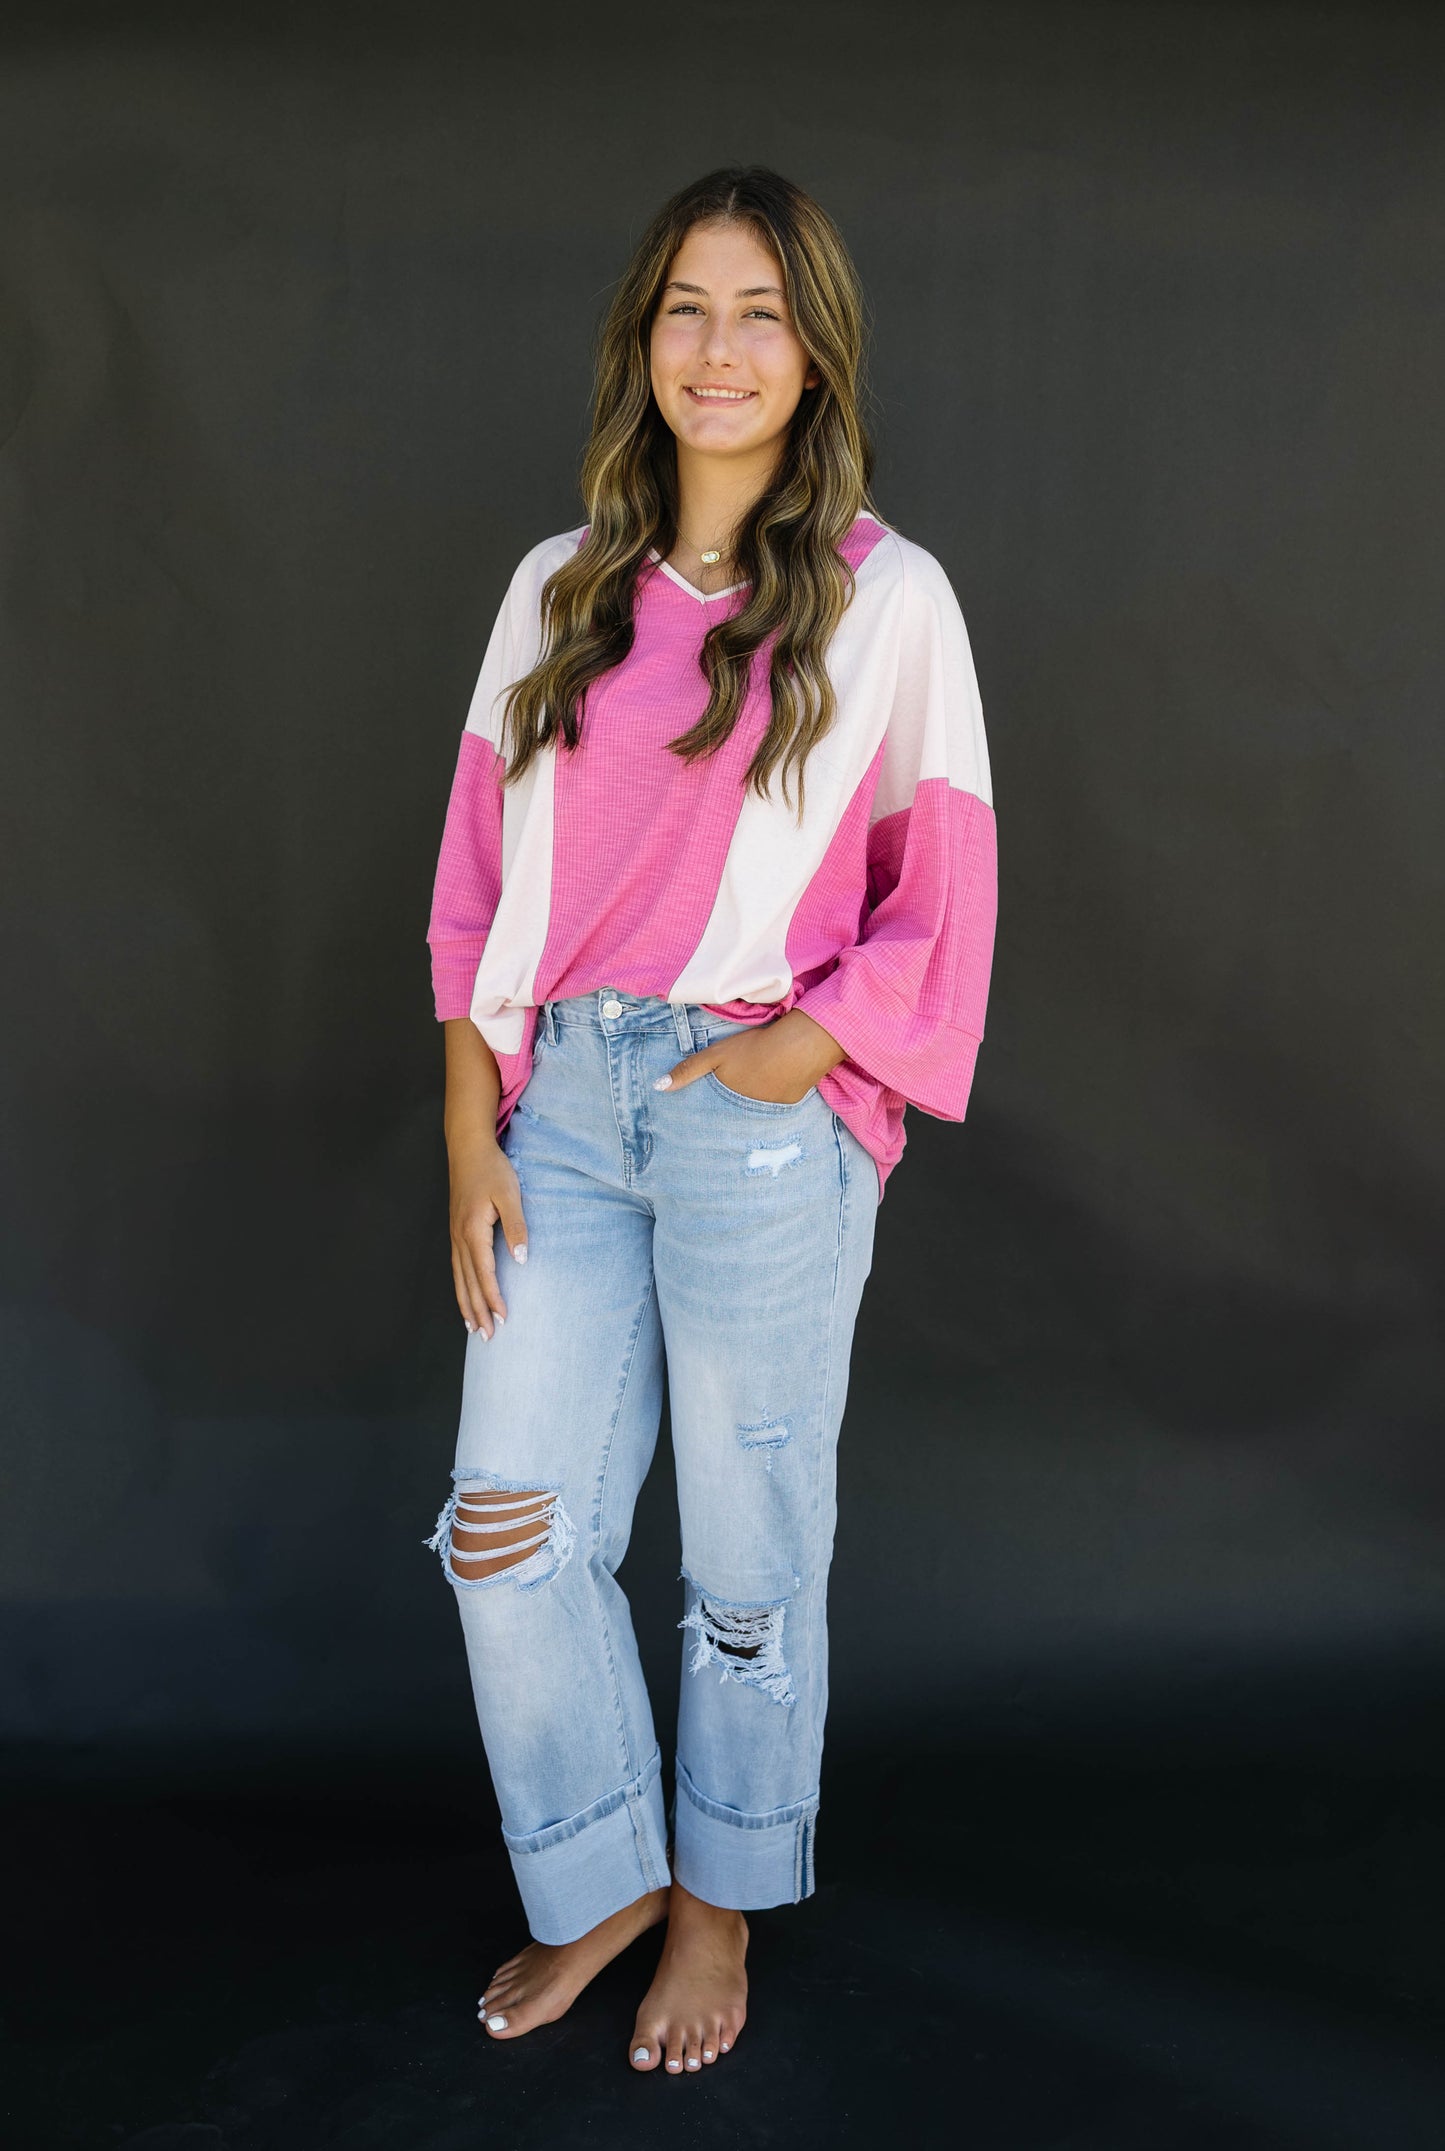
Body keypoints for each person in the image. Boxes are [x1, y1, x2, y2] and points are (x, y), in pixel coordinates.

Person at [423, 163, 997, 2078]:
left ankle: (720, 1897)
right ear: (641, 343)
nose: (719, 345)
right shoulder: (555, 591)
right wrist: (468, 1127)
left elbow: (943, 899)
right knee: (510, 1529)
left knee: (748, 1549)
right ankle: (596, 1881)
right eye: (686, 305)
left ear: (815, 349)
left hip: (756, 1112)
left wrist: (791, 1055)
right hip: (559, 1105)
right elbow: (465, 886)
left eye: (759, 309)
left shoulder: (887, 600)